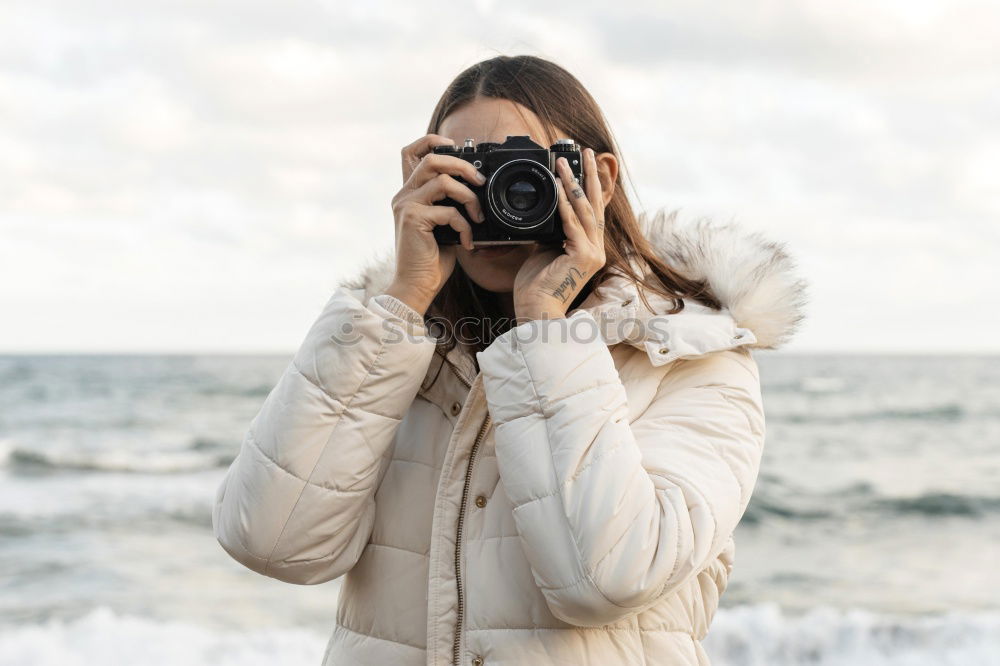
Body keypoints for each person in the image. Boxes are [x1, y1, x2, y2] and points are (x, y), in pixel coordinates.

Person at [212, 55, 808, 666]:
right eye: (471, 171)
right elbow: (272, 542)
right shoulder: (392, 349)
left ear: (598, 176)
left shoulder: (691, 355)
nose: (497, 195)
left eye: (528, 170)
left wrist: (546, 330)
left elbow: (609, 577)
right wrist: (401, 302)